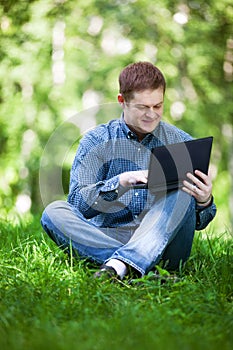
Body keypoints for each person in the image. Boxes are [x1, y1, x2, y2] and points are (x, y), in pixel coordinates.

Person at [41, 61, 216, 281]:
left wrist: (204, 201)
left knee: (182, 191)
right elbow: (77, 204)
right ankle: (142, 269)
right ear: (122, 101)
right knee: (54, 212)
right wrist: (122, 182)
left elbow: (199, 222)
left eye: (158, 106)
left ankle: (117, 264)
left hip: (163, 242)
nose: (152, 114)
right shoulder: (96, 141)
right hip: (108, 235)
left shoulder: (180, 142)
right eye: (143, 107)